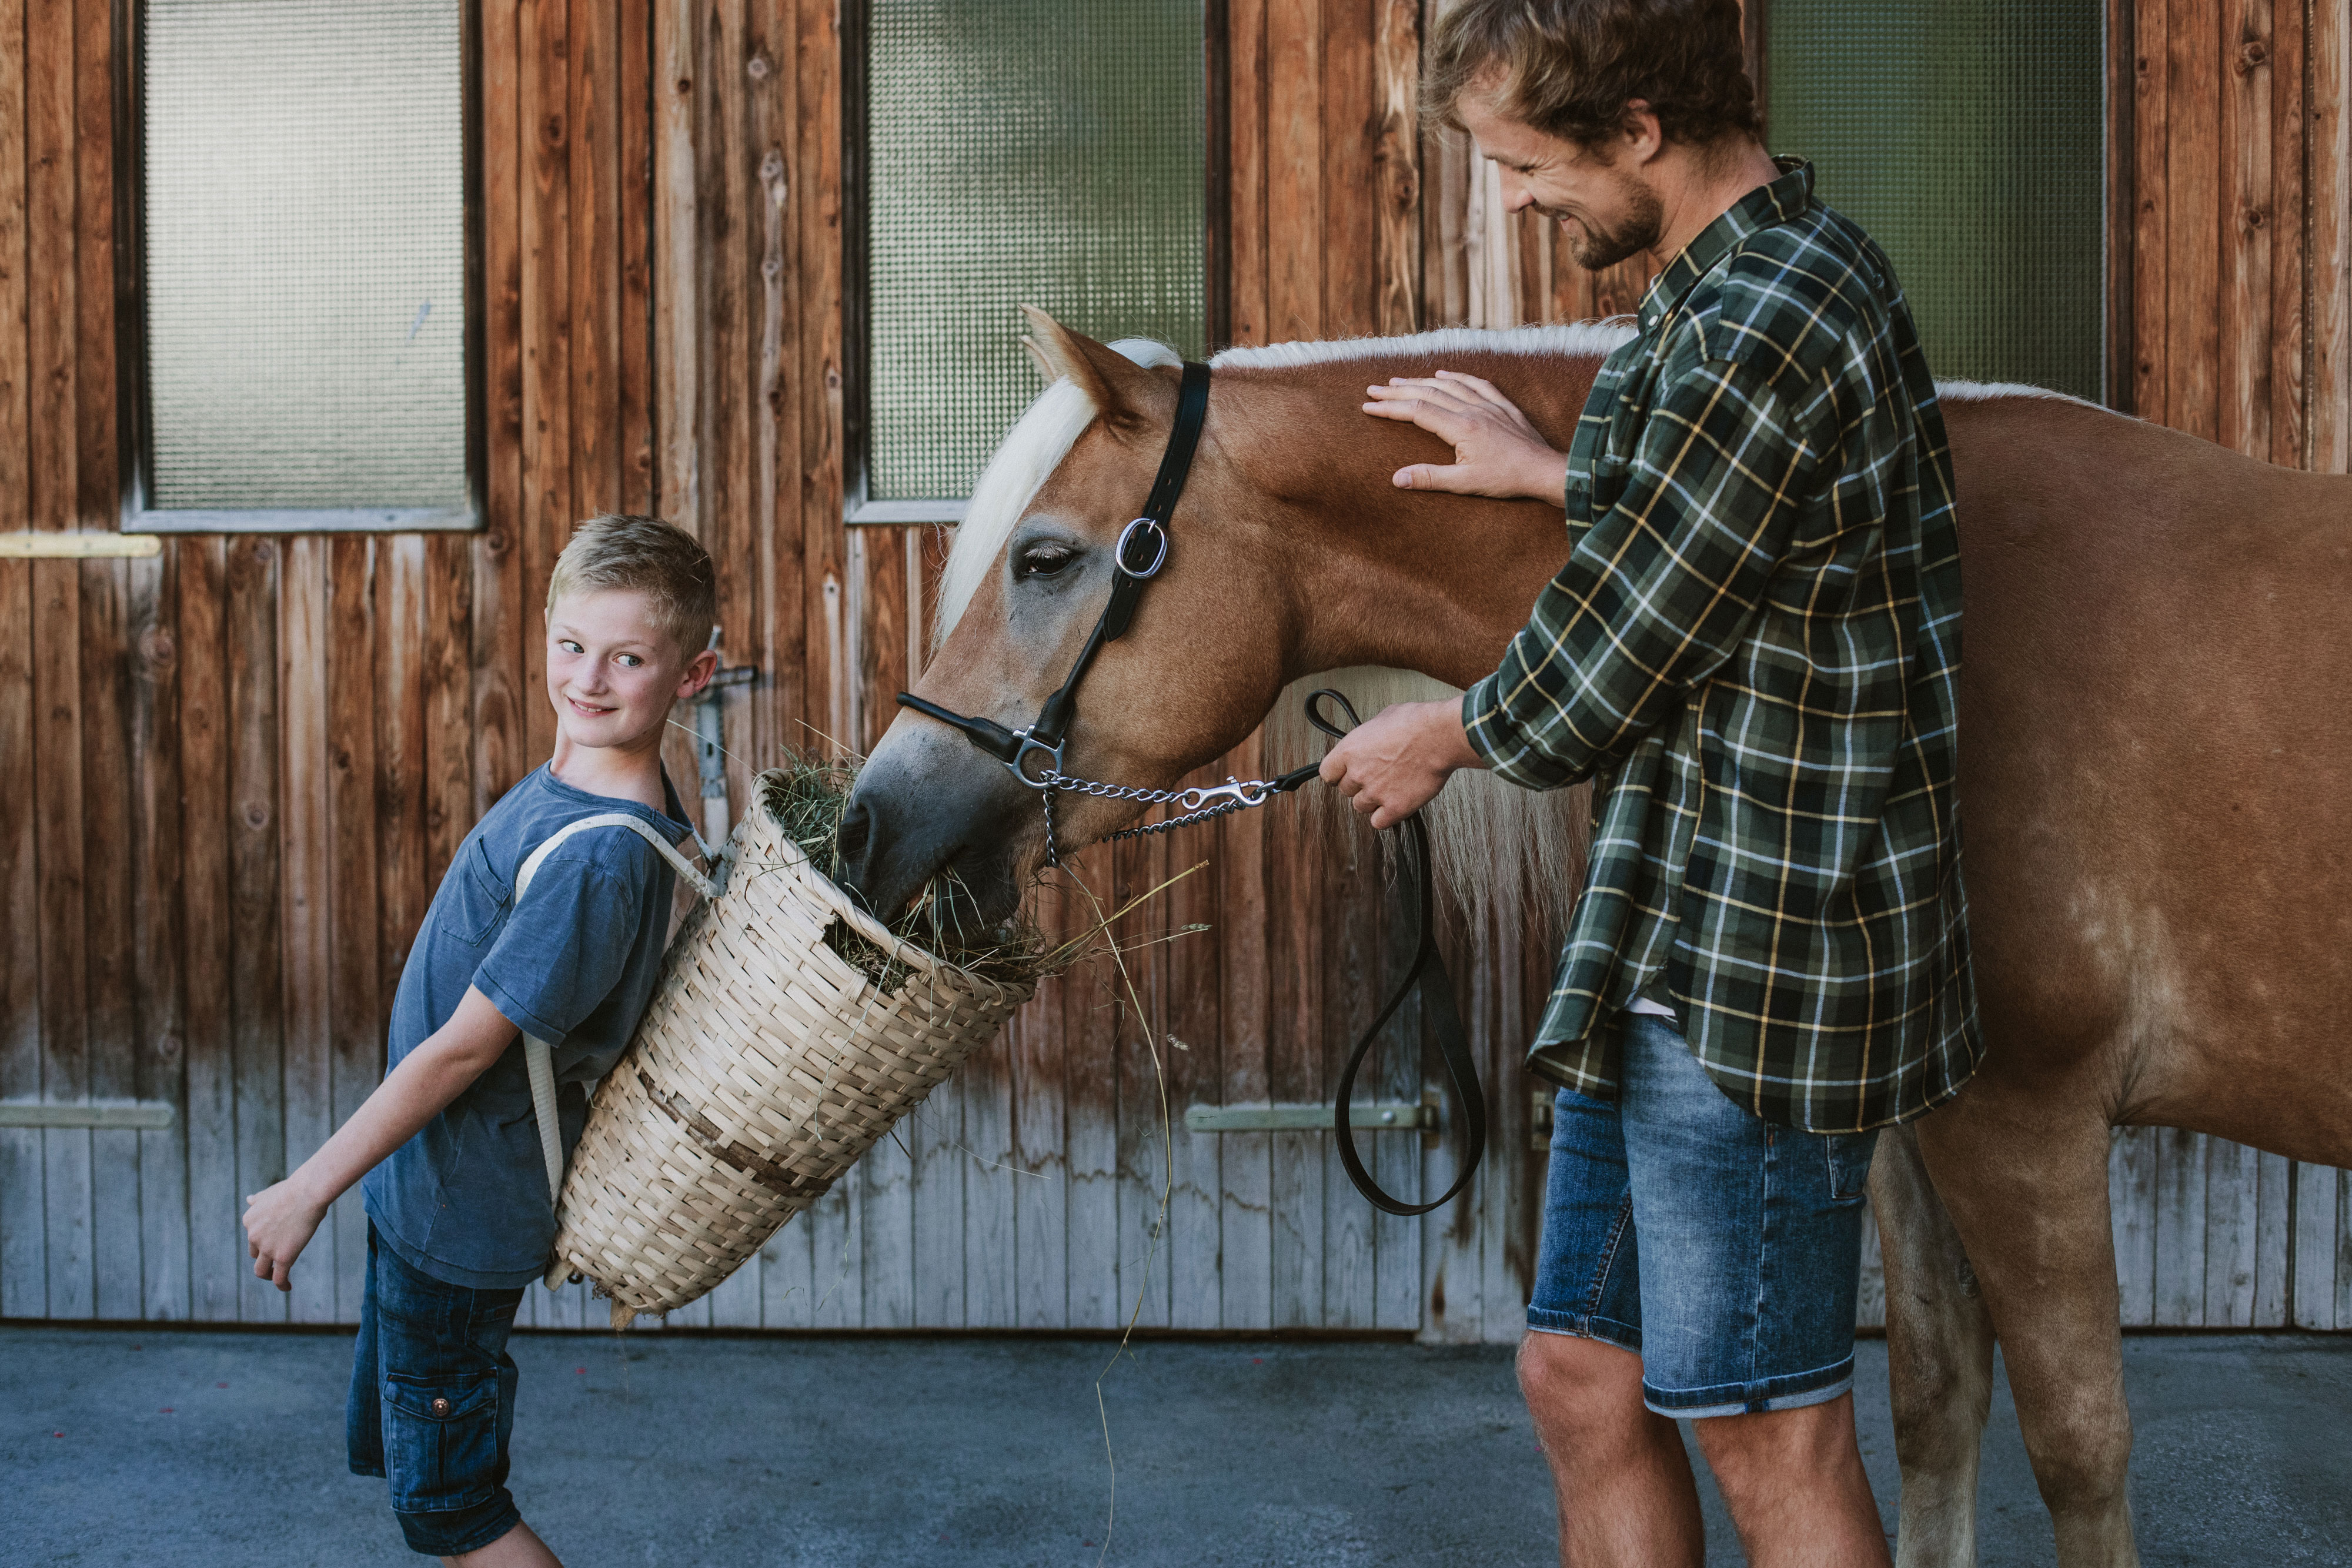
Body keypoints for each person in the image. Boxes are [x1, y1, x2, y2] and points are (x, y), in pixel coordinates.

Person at [1319, 3, 1980, 1564]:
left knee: (1765, 1419)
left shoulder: (1770, 312)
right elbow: (1744, 510)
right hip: (1672, 930)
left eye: (1531, 165)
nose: (1516, 201)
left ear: (1640, 132)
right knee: (1580, 1375)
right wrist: (1555, 469)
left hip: (1763, 950)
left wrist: (1449, 731)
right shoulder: (1733, 290)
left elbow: (1623, 648)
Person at [241, 515, 719, 1567]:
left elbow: (465, 1052)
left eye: (629, 658)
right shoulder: (575, 782)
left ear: (692, 676)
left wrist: (308, 1185)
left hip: (458, 1219)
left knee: (457, 1508)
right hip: (424, 1195)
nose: (589, 679)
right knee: (428, 1487)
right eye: (572, 646)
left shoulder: (600, 860)